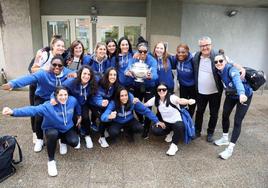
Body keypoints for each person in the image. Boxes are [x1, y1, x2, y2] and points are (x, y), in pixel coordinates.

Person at [2, 86, 81, 177]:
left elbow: (77, 106)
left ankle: (62, 141)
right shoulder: (48, 106)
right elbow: (32, 110)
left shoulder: (72, 100)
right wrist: (13, 112)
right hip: (52, 128)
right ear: (55, 95)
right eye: (60, 95)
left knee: (75, 142)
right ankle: (51, 161)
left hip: (66, 128)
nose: (63, 97)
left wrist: (79, 115)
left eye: (65, 95)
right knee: (52, 134)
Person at [2, 56, 73, 152]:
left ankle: (61, 139)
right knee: (38, 118)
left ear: (63, 67)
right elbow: (29, 78)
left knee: (59, 116)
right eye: (54, 65)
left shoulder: (67, 73)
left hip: (58, 98)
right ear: (50, 65)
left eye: (60, 65)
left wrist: (75, 74)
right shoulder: (43, 73)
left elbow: (79, 74)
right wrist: (12, 84)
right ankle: (39, 139)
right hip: (42, 97)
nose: (57, 67)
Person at [213, 54, 253, 159]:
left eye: (221, 61)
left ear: (226, 62)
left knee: (237, 121)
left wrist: (241, 93)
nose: (218, 63)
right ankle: (225, 138)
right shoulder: (219, 70)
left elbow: (237, 80)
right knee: (225, 115)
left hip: (244, 96)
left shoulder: (232, 70)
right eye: (216, 62)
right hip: (231, 95)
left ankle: (230, 148)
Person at [144, 83, 196, 156]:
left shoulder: (172, 97)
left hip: (176, 122)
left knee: (179, 126)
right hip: (166, 123)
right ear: (157, 91)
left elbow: (180, 100)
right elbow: (145, 105)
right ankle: (170, 132)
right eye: (159, 90)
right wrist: (135, 102)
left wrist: (188, 101)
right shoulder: (155, 99)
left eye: (164, 89)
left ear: (167, 90)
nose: (161, 91)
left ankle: (174, 145)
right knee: (155, 130)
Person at [125, 36, 158, 139]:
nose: (143, 54)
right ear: (137, 51)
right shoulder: (133, 58)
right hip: (136, 85)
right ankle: (141, 120)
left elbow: (155, 74)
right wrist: (127, 72)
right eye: (140, 51)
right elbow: (127, 68)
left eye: (145, 52)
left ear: (147, 51)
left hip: (149, 86)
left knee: (147, 107)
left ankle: (146, 129)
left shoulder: (152, 60)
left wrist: (151, 76)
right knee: (136, 105)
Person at [62, 65, 98, 148]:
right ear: (80, 74)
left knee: (85, 117)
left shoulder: (92, 83)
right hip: (72, 104)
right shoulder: (71, 82)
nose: (86, 76)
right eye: (84, 73)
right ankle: (77, 134)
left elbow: (101, 77)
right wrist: (53, 98)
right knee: (74, 118)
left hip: (83, 103)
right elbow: (59, 89)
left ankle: (87, 135)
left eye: (89, 74)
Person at [90, 67, 119, 148]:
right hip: (95, 104)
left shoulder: (115, 85)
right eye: (110, 74)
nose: (113, 76)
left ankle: (105, 128)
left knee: (108, 113)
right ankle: (101, 137)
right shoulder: (100, 83)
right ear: (106, 75)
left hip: (105, 103)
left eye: (114, 75)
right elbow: (96, 97)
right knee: (102, 117)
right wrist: (101, 102)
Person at [171, 43, 196, 117]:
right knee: (182, 103)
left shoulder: (192, 60)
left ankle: (190, 118)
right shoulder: (176, 59)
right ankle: (184, 116)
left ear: (187, 52)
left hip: (193, 86)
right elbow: (167, 55)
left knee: (191, 103)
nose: (180, 54)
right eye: (178, 52)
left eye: (183, 52)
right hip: (182, 85)